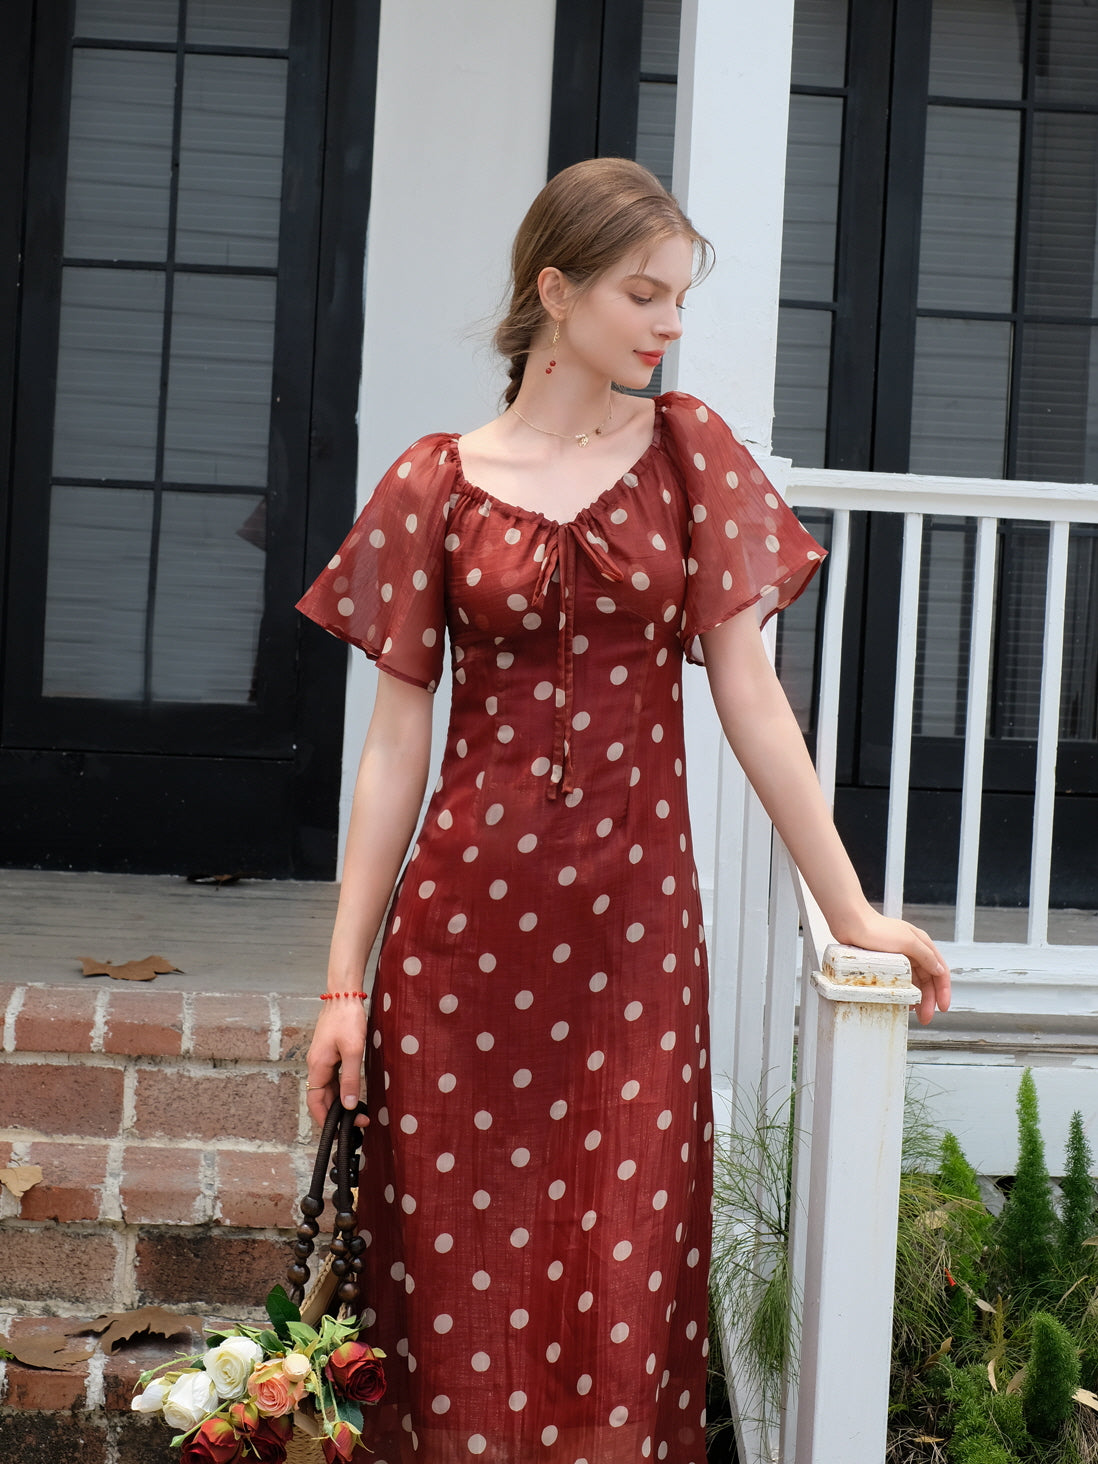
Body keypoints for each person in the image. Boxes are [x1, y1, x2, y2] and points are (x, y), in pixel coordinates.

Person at [297, 157, 951, 1464]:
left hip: (631, 943)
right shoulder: (436, 477)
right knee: (449, 1275)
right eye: (641, 295)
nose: (666, 324)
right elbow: (394, 749)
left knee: (622, 1261)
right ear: (555, 290)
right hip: (460, 943)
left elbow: (754, 704)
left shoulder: (688, 450)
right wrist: (341, 987)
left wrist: (849, 904)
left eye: (676, 299)